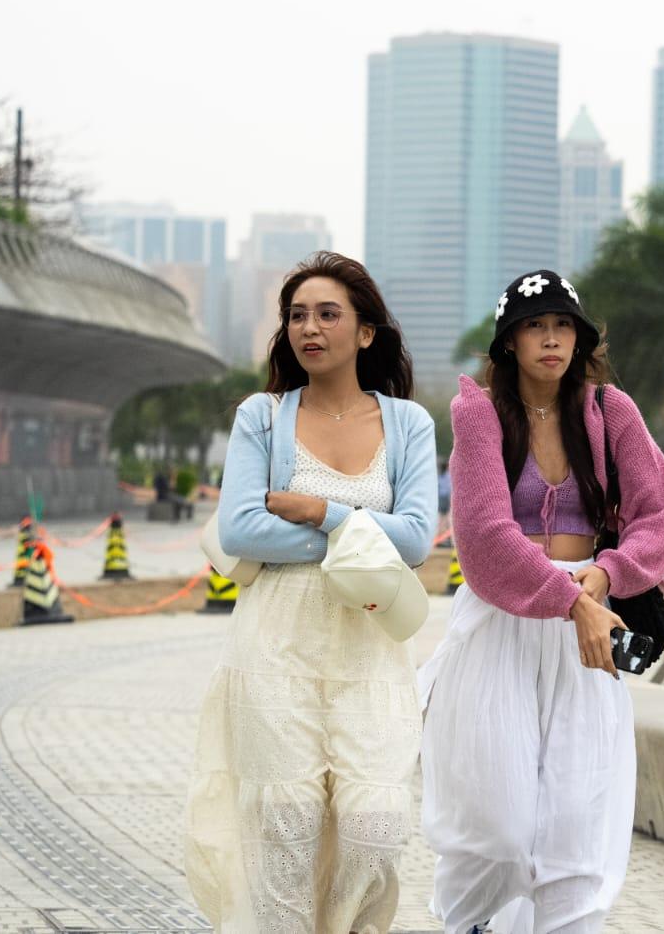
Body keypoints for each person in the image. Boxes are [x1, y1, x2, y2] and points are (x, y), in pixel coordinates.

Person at [418, 268, 664, 934]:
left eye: (563, 324)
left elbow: (659, 511)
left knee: (575, 827)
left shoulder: (609, 410)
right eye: (535, 325)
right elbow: (482, 535)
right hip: (502, 620)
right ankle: (470, 922)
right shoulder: (478, 411)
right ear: (509, 340)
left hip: (591, 622)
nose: (551, 338)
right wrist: (571, 600)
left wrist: (609, 573)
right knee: (498, 825)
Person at [185, 252, 438, 933]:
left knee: (374, 824)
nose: (310, 327)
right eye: (297, 314)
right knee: (285, 824)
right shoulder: (261, 416)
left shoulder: (409, 423)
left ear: (365, 332)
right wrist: (359, 535)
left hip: (370, 642)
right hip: (275, 639)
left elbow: (416, 540)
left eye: (329, 313)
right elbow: (241, 527)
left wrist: (316, 512)